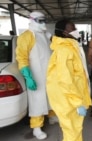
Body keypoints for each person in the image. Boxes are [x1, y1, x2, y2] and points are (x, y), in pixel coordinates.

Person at [46, 19, 92, 141]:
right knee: (72, 130)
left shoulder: (71, 47)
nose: (76, 31)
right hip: (68, 98)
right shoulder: (64, 50)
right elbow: (65, 79)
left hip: (71, 95)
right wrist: (77, 103)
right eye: (73, 29)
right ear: (65, 33)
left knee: (73, 129)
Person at [16, 11, 57, 140]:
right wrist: (28, 77)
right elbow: (22, 58)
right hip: (36, 75)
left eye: (44, 20)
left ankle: (52, 117)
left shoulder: (46, 34)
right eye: (40, 21)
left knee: (51, 96)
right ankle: (36, 128)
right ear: (33, 20)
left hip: (49, 74)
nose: (44, 23)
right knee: (37, 101)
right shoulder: (26, 36)